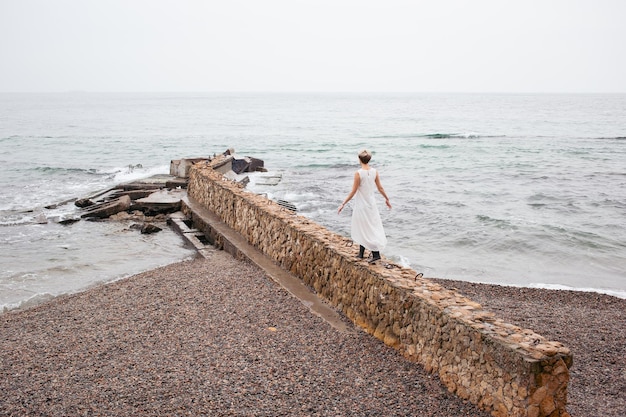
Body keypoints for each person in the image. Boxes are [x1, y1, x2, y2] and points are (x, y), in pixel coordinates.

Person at [337, 149, 391, 264]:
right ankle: (361, 254)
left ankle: (376, 254)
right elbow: (380, 188)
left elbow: (353, 191)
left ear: (359, 159)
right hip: (371, 204)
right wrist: (387, 199)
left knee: (363, 227)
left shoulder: (358, 173)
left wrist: (343, 203)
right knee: (369, 227)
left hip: (361, 205)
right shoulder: (375, 171)